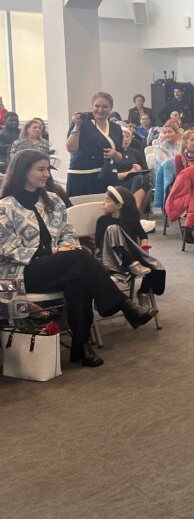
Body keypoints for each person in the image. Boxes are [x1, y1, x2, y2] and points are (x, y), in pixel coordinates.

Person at [0, 151, 156, 367]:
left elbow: (68, 233)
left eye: (47, 169)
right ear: (22, 171)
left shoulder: (53, 200)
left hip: (62, 266)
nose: (47, 174)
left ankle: (80, 346)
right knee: (79, 259)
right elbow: (7, 249)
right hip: (22, 271)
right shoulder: (5, 206)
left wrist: (65, 249)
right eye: (40, 169)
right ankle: (123, 305)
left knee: (79, 278)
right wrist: (54, 253)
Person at [95, 185, 166, 297]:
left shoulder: (131, 220)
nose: (103, 203)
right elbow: (99, 246)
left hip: (133, 259)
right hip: (111, 259)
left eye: (107, 200)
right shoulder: (102, 221)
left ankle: (143, 293)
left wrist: (144, 244)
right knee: (113, 228)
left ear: (118, 205)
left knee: (156, 266)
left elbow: (142, 235)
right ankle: (130, 264)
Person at [66, 92, 126, 198]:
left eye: (104, 107)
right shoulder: (81, 122)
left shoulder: (116, 128)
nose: (100, 110)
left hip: (106, 175)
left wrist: (115, 154)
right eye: (97, 106)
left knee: (105, 210)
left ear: (111, 108)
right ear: (92, 106)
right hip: (81, 176)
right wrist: (77, 127)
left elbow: (121, 156)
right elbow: (71, 148)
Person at [115, 126, 151, 213]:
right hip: (119, 182)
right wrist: (129, 172)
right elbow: (111, 175)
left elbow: (145, 170)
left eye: (128, 137)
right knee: (139, 179)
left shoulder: (136, 152)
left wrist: (140, 168)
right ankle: (135, 212)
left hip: (136, 180)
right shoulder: (113, 153)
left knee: (143, 179)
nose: (126, 139)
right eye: (123, 137)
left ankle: (134, 211)